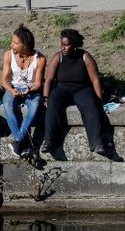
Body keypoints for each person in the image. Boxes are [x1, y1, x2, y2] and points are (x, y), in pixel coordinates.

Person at [41, 28, 108, 157]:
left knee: (90, 104)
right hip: (62, 89)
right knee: (53, 103)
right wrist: (45, 97)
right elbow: (49, 79)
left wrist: (99, 100)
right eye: (62, 45)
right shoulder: (58, 57)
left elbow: (95, 79)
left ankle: (97, 142)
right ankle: (48, 141)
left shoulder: (85, 57)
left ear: (74, 45)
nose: (63, 48)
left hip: (82, 89)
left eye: (66, 45)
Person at [0, 24, 46, 157]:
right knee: (8, 104)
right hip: (13, 87)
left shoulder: (40, 59)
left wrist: (29, 90)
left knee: (35, 105)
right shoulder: (8, 56)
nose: (11, 44)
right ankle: (24, 143)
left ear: (24, 45)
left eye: (15, 43)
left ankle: (18, 141)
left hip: (31, 90)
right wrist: (11, 90)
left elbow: (38, 84)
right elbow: (4, 81)